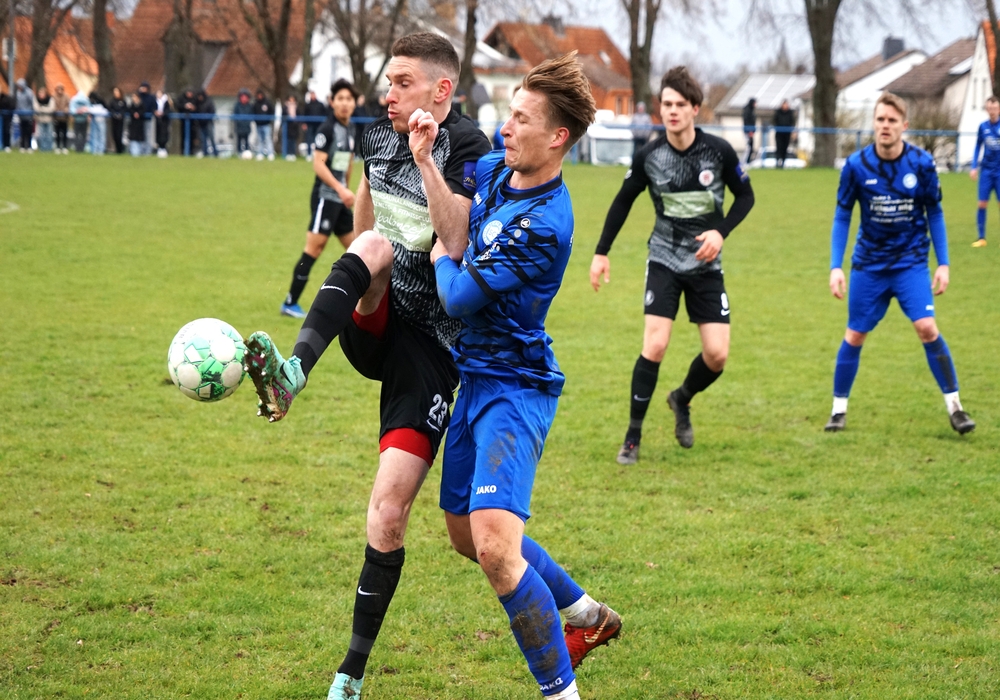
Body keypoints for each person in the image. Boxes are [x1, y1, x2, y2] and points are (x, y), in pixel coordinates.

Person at [240, 32, 491, 700]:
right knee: (373, 246)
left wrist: (426, 159)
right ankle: (292, 374)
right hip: (375, 320)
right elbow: (367, 206)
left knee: (387, 513)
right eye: (388, 82)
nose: (389, 94)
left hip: (429, 352)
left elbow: (457, 238)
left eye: (402, 83)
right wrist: (358, 260)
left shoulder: (471, 148)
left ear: (441, 89)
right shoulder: (377, 135)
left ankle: (349, 675)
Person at [432, 52, 620, 700]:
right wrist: (426, 156)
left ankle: (560, 693)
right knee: (467, 535)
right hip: (474, 377)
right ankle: (587, 615)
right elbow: (459, 206)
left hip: (516, 387)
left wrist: (441, 256)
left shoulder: (546, 223)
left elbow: (458, 295)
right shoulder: (493, 168)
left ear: (558, 137)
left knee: (495, 549)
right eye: (507, 114)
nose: (505, 128)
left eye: (521, 119)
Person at [591, 66, 755, 464]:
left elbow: (746, 197)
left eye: (680, 104)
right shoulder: (650, 155)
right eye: (666, 104)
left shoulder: (719, 151)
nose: (672, 111)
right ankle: (632, 437)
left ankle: (681, 398)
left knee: (717, 355)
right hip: (664, 258)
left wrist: (720, 233)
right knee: (655, 344)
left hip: (705, 264)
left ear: (695, 108)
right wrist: (601, 251)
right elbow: (623, 201)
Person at [824, 92, 975, 435]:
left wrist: (944, 263)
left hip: (910, 263)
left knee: (927, 327)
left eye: (892, 120)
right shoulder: (856, 166)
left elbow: (935, 211)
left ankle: (956, 408)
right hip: (869, 265)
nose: (885, 126)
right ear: (873, 123)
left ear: (904, 125)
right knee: (855, 333)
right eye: (880, 119)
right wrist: (835, 266)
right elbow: (842, 215)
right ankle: (838, 411)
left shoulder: (921, 164)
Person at [280, 79, 359, 318]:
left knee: (359, 249)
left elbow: (347, 161)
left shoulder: (350, 128)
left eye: (349, 99)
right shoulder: (327, 129)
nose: (344, 103)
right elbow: (319, 164)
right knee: (314, 249)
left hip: (340, 200)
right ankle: (290, 302)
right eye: (340, 99)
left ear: (354, 103)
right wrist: (340, 189)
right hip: (325, 198)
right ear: (332, 102)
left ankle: (363, 305)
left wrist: (346, 188)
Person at [969, 95, 1000, 247]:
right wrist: (974, 166)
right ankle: (981, 238)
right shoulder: (983, 127)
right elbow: (977, 146)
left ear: (999, 109)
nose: (992, 111)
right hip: (986, 171)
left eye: (994, 108)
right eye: (989, 108)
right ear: (987, 109)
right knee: (982, 203)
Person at [302, 89, 326, 156]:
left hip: (319, 125)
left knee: (319, 139)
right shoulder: (307, 105)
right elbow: (304, 114)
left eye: (313, 94)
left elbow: (324, 114)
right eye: (311, 95)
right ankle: (309, 154)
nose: (312, 96)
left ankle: (318, 153)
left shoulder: (320, 104)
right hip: (310, 125)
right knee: (309, 139)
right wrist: (304, 123)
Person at [773, 99, 796, 168]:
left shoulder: (790, 113)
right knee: (779, 147)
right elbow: (774, 121)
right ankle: (777, 162)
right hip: (779, 133)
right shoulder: (778, 112)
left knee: (785, 148)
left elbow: (792, 122)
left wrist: (792, 131)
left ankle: (783, 162)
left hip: (787, 133)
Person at [252, 89, 275, 160]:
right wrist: (256, 121)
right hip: (258, 125)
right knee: (260, 140)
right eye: (258, 95)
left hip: (266, 125)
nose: (259, 96)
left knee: (268, 139)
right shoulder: (255, 104)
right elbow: (253, 113)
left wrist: (269, 120)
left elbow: (272, 111)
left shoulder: (267, 103)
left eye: (260, 95)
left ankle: (270, 153)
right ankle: (260, 153)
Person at [195, 89, 217, 157]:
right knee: (203, 139)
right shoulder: (197, 102)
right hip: (201, 123)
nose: (199, 98)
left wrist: (207, 116)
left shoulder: (209, 101)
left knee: (211, 138)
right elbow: (196, 111)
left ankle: (215, 153)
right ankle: (205, 153)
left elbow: (212, 111)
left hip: (208, 123)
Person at [233, 88, 254, 156]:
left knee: (246, 141)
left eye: (245, 97)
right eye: (242, 97)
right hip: (239, 127)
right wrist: (240, 122)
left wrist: (246, 122)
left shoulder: (249, 106)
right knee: (239, 141)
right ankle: (239, 153)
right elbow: (235, 115)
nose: (244, 98)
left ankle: (246, 153)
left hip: (247, 127)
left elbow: (251, 116)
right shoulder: (237, 106)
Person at [15, 79, 35, 152]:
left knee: (29, 132)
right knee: (22, 132)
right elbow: (18, 103)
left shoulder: (29, 92)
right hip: (21, 116)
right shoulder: (18, 93)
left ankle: (29, 146)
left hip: (28, 115)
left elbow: (31, 103)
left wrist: (30, 112)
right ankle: (22, 146)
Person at [33, 86, 55, 152]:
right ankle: (42, 148)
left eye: (42, 93)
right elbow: (36, 109)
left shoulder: (50, 99)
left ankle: (49, 148)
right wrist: (45, 108)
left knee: (49, 135)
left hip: (49, 119)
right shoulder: (36, 99)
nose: (40, 95)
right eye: (40, 93)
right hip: (40, 120)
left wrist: (42, 108)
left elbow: (51, 109)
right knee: (41, 135)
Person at [69, 88, 91, 152]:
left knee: (77, 134)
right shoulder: (86, 100)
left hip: (77, 120)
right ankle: (82, 148)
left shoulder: (74, 99)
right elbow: (89, 109)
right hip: (84, 120)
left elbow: (72, 110)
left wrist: (77, 112)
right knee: (83, 135)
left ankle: (77, 148)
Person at [179, 88, 199, 154]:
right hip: (183, 122)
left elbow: (199, 108)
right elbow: (178, 105)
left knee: (193, 138)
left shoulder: (195, 100)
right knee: (183, 137)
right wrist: (185, 106)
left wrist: (194, 108)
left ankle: (191, 152)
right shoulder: (182, 99)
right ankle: (183, 152)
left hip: (193, 123)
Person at [138, 82, 156, 154]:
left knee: (148, 135)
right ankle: (141, 150)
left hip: (148, 119)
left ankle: (148, 151)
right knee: (141, 135)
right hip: (140, 119)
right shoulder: (139, 96)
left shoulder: (151, 97)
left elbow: (154, 107)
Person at [108, 87, 127, 154]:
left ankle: (120, 150)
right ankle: (116, 149)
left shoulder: (123, 101)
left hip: (120, 121)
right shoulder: (112, 101)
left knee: (119, 135)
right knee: (114, 135)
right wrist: (114, 114)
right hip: (114, 120)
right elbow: (110, 109)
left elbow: (125, 109)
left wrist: (121, 114)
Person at [52, 84, 70, 153]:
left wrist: (66, 109)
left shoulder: (66, 96)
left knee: (64, 133)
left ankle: (65, 147)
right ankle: (58, 147)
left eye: (61, 89)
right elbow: (52, 105)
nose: (59, 91)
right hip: (56, 118)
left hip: (64, 118)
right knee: (57, 133)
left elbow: (68, 104)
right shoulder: (53, 96)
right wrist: (55, 110)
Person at [127, 92, 146, 156]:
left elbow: (143, 111)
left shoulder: (142, 105)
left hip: (140, 125)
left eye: (134, 97)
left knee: (139, 139)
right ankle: (134, 152)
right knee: (133, 138)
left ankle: (140, 152)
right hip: (133, 124)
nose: (133, 98)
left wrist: (139, 114)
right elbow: (130, 111)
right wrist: (134, 114)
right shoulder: (131, 105)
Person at [154, 89, 172, 156]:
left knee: (164, 134)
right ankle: (159, 148)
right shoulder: (155, 101)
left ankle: (163, 148)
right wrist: (155, 112)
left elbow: (168, 110)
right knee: (158, 134)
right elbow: (153, 108)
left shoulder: (166, 101)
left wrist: (163, 113)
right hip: (157, 120)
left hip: (164, 120)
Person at [282, 94, 299, 159]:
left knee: (293, 141)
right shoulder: (285, 107)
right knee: (288, 140)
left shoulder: (296, 107)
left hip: (294, 126)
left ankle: (293, 153)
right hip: (287, 126)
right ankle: (288, 153)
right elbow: (283, 115)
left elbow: (299, 115)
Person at [742, 97, 757, 164]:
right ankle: (744, 162)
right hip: (748, 132)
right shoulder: (747, 110)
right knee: (748, 148)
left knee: (750, 147)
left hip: (751, 131)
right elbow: (747, 121)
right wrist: (749, 131)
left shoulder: (751, 110)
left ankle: (747, 161)